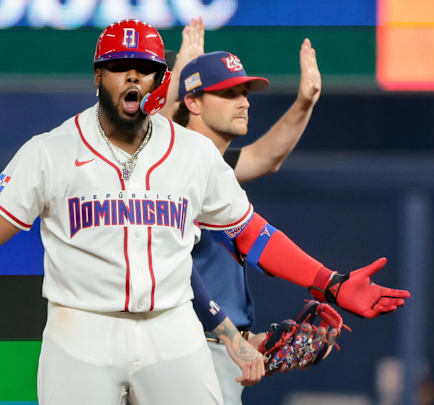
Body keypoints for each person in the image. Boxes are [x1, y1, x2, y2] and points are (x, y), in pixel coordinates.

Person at [0, 19, 409, 405]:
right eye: (120, 64)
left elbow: (254, 234)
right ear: (98, 74)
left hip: (172, 329)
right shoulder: (50, 151)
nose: (134, 75)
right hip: (81, 330)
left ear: (162, 81)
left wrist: (330, 283)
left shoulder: (191, 153)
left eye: (147, 67)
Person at [164, 18, 406, 405]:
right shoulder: (167, 164)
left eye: (244, 91)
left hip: (220, 351)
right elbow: (153, 146)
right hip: (184, 347)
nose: (243, 100)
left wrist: (304, 103)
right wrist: (176, 82)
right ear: (192, 101)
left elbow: (264, 169)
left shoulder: (216, 170)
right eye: (228, 93)